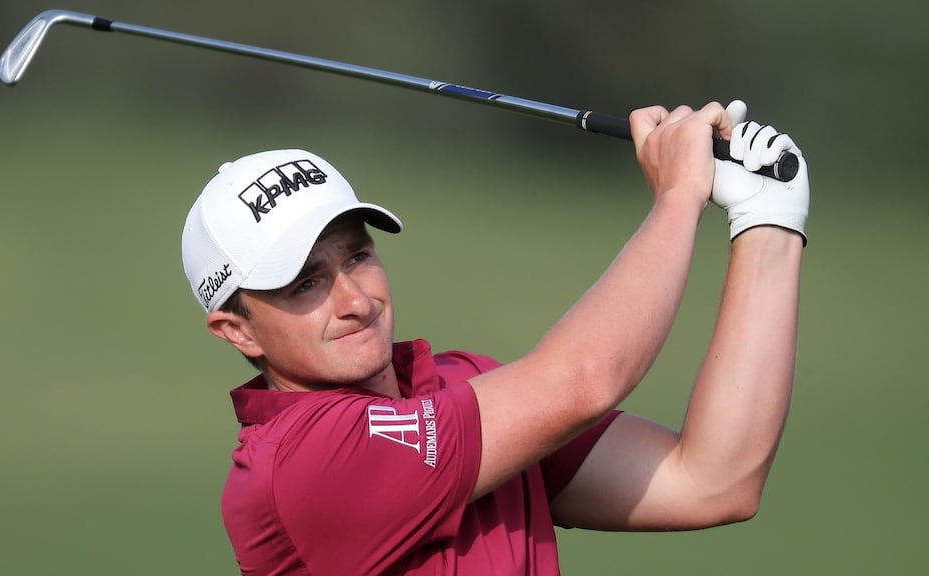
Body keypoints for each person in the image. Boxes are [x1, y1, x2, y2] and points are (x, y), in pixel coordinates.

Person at [180, 99, 809, 575]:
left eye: (357, 257)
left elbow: (713, 480)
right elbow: (585, 378)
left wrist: (768, 222)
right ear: (237, 330)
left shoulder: (463, 383)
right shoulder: (300, 464)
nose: (355, 300)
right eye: (304, 285)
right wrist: (678, 196)